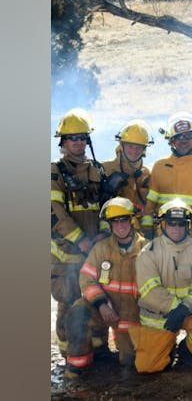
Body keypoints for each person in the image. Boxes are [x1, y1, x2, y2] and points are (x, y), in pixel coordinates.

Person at [129, 199, 192, 373]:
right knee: (147, 367)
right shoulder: (148, 253)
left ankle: (187, 353)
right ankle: (166, 348)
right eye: (171, 223)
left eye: (181, 223)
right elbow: (150, 292)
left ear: (188, 225)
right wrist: (175, 308)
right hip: (158, 317)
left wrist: (183, 309)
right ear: (162, 224)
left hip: (188, 310)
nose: (176, 228)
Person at [65, 197, 149, 377]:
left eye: (124, 220)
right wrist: (101, 304)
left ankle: (120, 350)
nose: (120, 226)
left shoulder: (147, 249)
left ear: (131, 220)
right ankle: (78, 370)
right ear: (110, 225)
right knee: (77, 312)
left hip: (132, 317)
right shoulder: (101, 249)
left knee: (130, 363)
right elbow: (86, 279)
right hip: (105, 309)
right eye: (115, 221)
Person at [51, 108, 107, 366]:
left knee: (96, 300)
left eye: (83, 137)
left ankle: (98, 352)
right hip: (68, 255)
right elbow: (54, 214)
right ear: (63, 141)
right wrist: (82, 240)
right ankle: (70, 358)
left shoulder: (97, 169)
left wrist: (102, 237)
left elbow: (107, 208)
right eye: (73, 137)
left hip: (95, 253)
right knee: (69, 303)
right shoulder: (54, 173)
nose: (79, 142)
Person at [141, 111, 192, 246]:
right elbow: (150, 205)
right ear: (171, 140)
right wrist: (148, 232)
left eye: (188, 135)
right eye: (178, 136)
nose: (183, 140)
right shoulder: (159, 167)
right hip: (163, 239)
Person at [101, 119, 153, 227]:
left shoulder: (147, 173)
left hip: (139, 233)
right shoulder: (105, 168)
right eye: (130, 146)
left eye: (139, 147)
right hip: (113, 230)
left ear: (144, 149)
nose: (134, 151)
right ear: (121, 145)